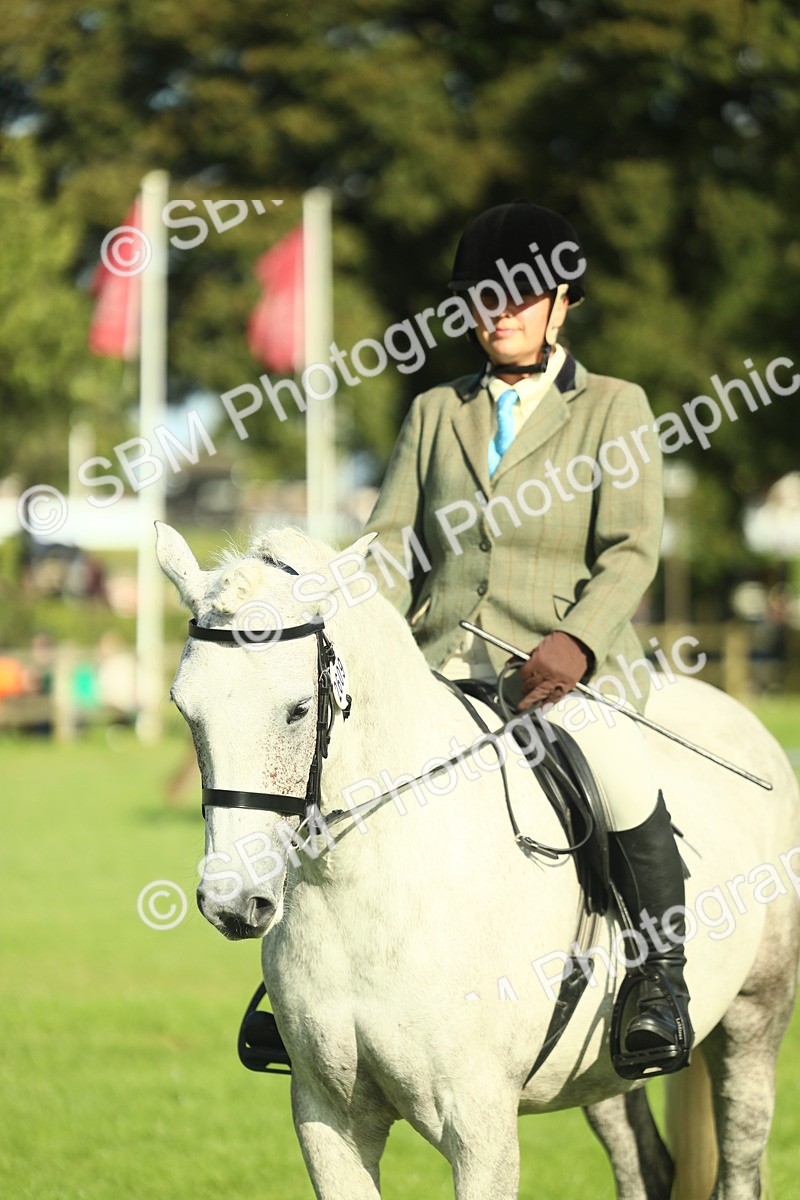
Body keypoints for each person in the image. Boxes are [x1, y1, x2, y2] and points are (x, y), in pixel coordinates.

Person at [365, 199, 693, 1077]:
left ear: (562, 303)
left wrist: (577, 641)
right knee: (338, 778)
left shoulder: (615, 407)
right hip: (439, 664)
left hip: (563, 671)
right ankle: (303, 990)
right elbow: (390, 543)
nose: (498, 312)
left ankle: (659, 979)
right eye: (483, 296)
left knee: (617, 772)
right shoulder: (436, 411)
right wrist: (371, 634)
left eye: (518, 295)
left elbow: (631, 548)